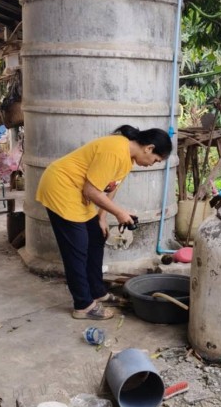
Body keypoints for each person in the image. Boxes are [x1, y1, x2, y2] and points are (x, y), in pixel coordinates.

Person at [36, 125, 173, 320]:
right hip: (61, 187)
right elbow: (91, 191)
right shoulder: (116, 151)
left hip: (78, 191)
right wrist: (119, 213)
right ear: (149, 148)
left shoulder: (127, 158)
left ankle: (97, 291)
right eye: (155, 160)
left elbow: (110, 188)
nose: (153, 164)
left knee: (96, 236)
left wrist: (101, 217)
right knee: (77, 249)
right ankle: (83, 305)